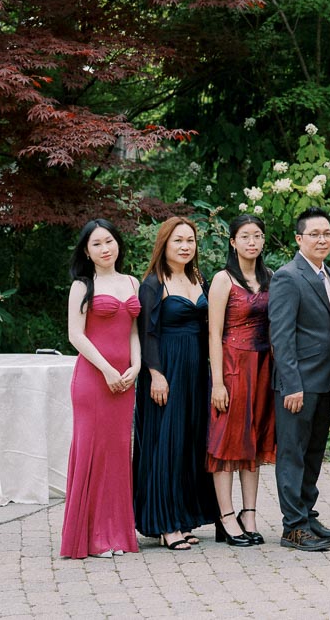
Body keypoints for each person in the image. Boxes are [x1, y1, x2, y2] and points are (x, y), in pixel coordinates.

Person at [133, 216, 219, 550]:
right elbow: (147, 332)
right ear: (164, 244)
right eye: (178, 241)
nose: (185, 247)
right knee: (165, 443)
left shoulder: (199, 278)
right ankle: (164, 524)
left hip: (196, 370)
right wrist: (155, 373)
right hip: (166, 369)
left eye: (190, 241)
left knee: (189, 444)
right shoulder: (154, 283)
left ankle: (182, 516)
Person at [60, 219, 142, 559]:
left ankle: (116, 534)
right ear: (86, 251)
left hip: (125, 381)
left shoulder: (132, 281)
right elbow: (75, 335)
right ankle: (91, 539)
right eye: (96, 244)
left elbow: (133, 331)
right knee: (92, 454)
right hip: (93, 381)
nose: (105, 248)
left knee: (118, 455)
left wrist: (135, 367)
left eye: (109, 241)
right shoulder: (83, 285)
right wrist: (108, 369)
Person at [268, 208, 330, 553]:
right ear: (299, 239)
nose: (322, 239)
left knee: (314, 453)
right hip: (297, 384)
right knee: (293, 454)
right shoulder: (288, 276)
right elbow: (281, 336)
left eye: (326, 233)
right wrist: (292, 384)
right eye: (314, 234)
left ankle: (307, 515)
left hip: (325, 381)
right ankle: (293, 527)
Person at [205, 214, 276, 547]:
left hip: (263, 367)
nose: (253, 242)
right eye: (246, 236)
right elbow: (213, 333)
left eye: (258, 236)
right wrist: (217, 382)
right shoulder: (223, 279)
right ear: (233, 242)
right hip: (233, 367)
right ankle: (226, 516)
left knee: (253, 441)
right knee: (227, 442)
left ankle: (250, 512)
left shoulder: (270, 277)